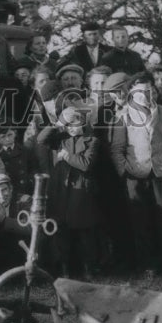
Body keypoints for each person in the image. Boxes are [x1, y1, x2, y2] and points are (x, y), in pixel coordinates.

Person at [109, 72, 162, 276]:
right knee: (141, 221)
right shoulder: (123, 115)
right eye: (140, 90)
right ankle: (148, 265)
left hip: (159, 173)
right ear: (131, 92)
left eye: (149, 90)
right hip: (135, 174)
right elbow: (117, 148)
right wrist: (125, 171)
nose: (145, 94)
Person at [39, 106, 102, 279]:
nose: (71, 128)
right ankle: (65, 269)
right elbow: (40, 139)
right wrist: (58, 123)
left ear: (83, 121)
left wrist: (66, 156)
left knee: (84, 231)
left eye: (75, 123)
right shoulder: (60, 138)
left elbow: (86, 164)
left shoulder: (92, 140)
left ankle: (89, 268)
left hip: (81, 191)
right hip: (61, 190)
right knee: (62, 232)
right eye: (68, 125)